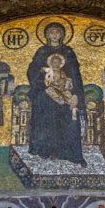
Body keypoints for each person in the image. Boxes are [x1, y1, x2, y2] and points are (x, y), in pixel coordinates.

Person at [27, 22, 86, 164]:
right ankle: (46, 150)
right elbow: (31, 71)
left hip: (65, 91)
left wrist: (76, 94)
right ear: (47, 35)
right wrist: (42, 72)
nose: (54, 35)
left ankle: (69, 152)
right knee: (45, 117)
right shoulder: (41, 51)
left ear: (62, 35)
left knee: (68, 116)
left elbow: (75, 73)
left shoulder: (68, 52)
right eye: (51, 32)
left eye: (57, 32)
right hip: (45, 92)